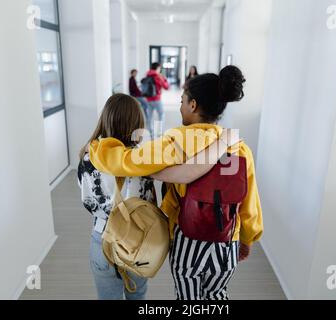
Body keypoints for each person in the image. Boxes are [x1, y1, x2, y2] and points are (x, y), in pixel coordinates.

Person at [88, 66, 263, 300]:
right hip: (227, 240)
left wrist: (98, 149)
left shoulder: (178, 140)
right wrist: (247, 238)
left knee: (187, 298)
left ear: (193, 105)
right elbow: (249, 203)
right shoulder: (239, 147)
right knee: (217, 295)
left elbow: (127, 161)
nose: (180, 106)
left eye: (182, 100)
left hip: (188, 241)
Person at [145, 62, 169, 137]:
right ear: (158, 68)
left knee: (149, 116)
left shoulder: (147, 75)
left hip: (148, 99)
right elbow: (166, 87)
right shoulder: (157, 76)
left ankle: (151, 132)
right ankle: (159, 132)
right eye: (159, 68)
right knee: (161, 114)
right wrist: (164, 79)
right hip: (156, 99)